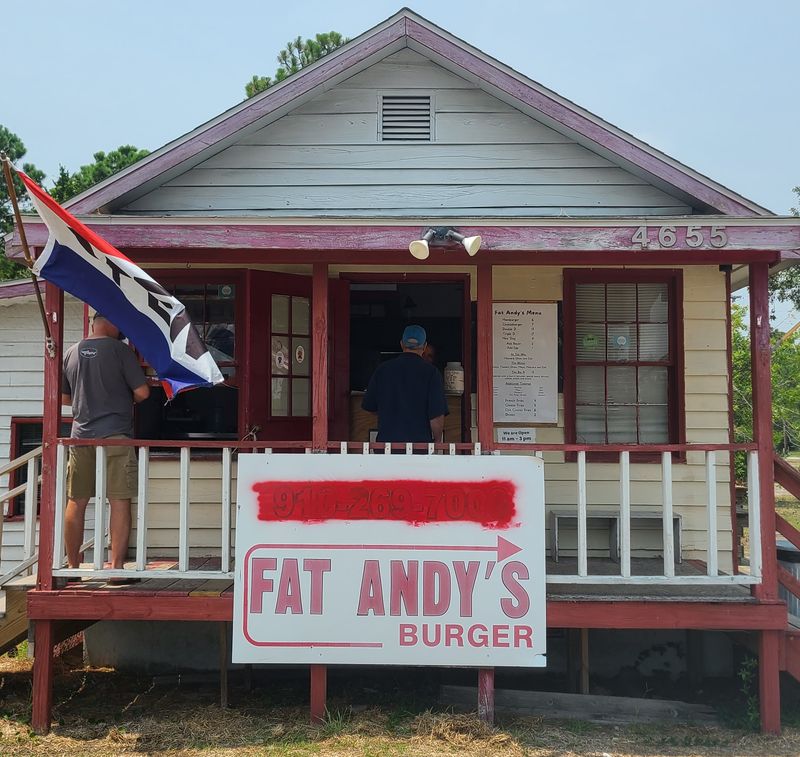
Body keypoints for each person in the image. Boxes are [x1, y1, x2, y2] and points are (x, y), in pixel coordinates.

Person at [61, 313, 150, 570]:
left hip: (80, 437)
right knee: (119, 500)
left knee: (76, 500)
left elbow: (65, 399)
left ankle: (73, 565)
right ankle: (116, 566)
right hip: (116, 436)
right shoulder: (120, 351)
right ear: (110, 321)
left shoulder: (71, 352)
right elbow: (142, 392)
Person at [362, 325, 448, 444]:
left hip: (387, 447)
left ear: (402, 344)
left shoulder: (383, 370)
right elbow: (436, 417)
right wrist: (438, 440)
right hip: (419, 448)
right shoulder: (432, 373)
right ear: (424, 346)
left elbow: (370, 406)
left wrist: (389, 412)